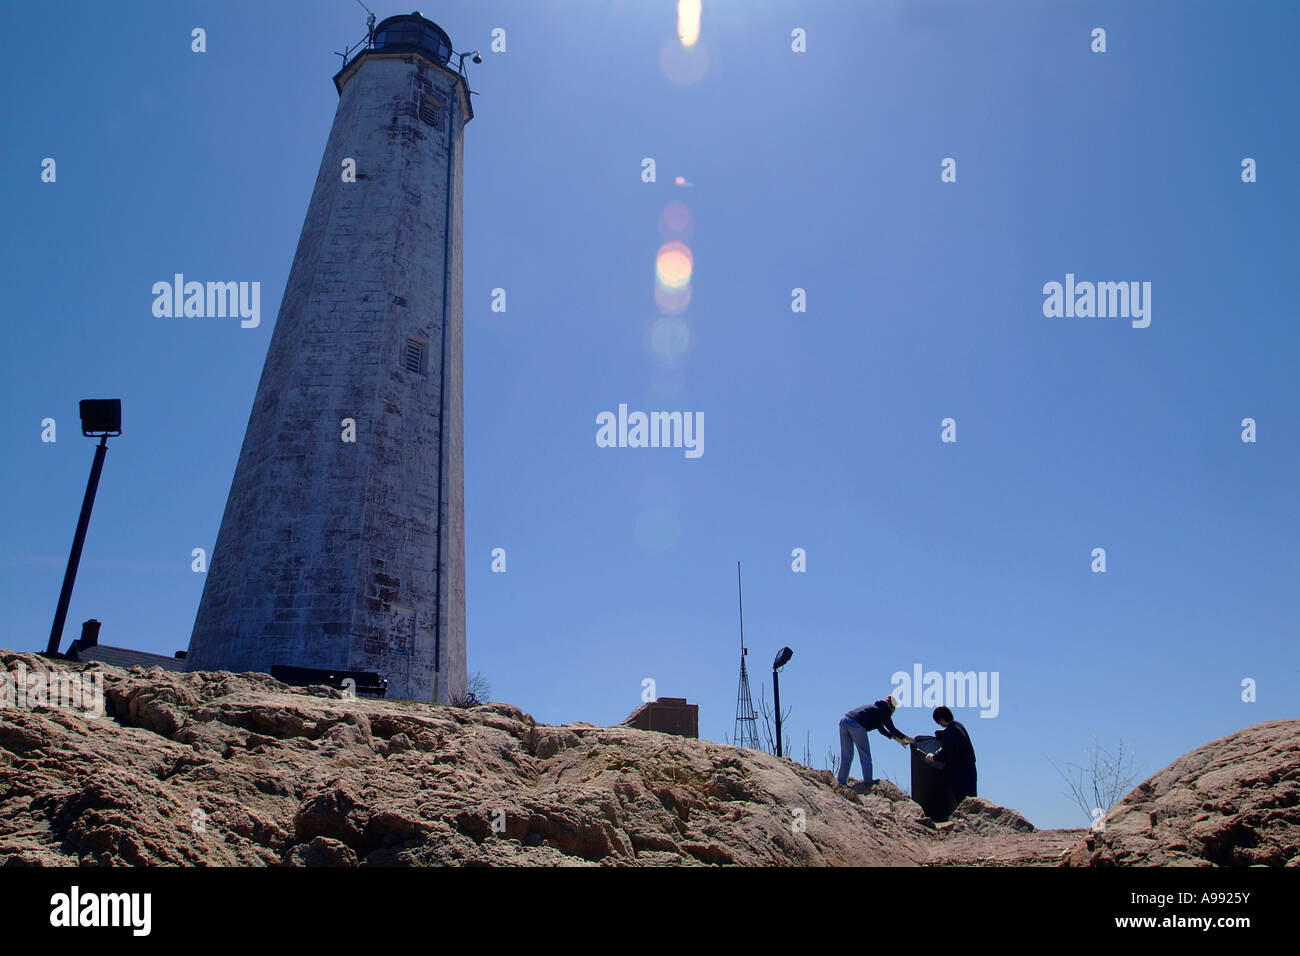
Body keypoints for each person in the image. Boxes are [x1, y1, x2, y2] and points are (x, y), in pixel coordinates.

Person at [837, 695, 913, 790]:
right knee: (865, 754)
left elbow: (881, 729)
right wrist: (909, 739)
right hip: (856, 725)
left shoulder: (876, 709)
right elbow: (892, 729)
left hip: (844, 721)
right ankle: (868, 781)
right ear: (891, 706)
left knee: (847, 755)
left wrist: (898, 740)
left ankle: (841, 783)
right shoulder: (884, 711)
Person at [925, 705, 977, 802]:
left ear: (941, 719)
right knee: (973, 800)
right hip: (970, 769)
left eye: (939, 722)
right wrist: (941, 734)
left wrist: (933, 757)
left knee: (963, 802)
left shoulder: (950, 731)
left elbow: (946, 753)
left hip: (961, 772)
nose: (940, 724)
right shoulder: (958, 725)